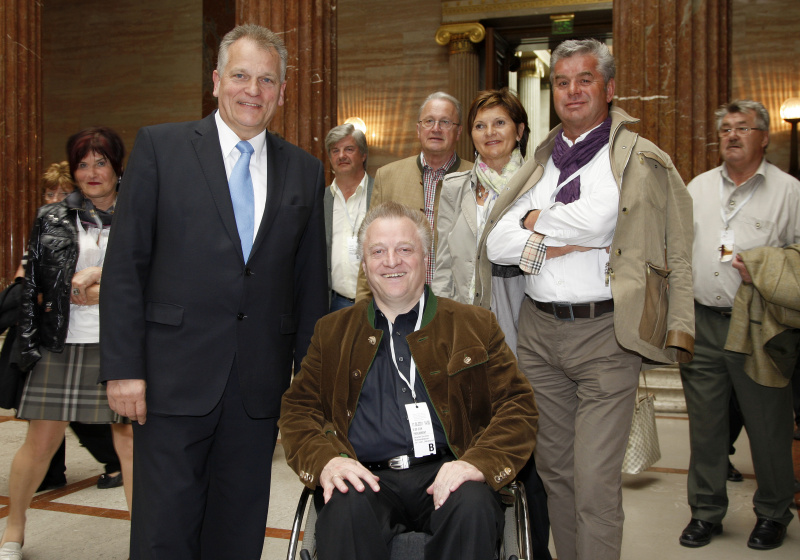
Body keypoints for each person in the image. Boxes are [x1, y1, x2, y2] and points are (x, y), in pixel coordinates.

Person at [98, 24, 327, 559]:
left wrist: (309, 386)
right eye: (242, 75)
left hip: (256, 387)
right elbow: (126, 266)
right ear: (217, 80)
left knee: (238, 529)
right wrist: (123, 368)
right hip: (170, 381)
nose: (254, 90)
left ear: (283, 92)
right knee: (164, 531)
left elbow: (309, 287)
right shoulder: (161, 147)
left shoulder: (304, 170)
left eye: (267, 80)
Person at [487, 38, 694, 560]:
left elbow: (603, 220)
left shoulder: (631, 159)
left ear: (609, 87)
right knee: (557, 474)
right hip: (538, 334)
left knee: (596, 483)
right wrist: (553, 240)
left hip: (605, 335)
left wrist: (534, 223)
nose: (572, 91)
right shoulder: (541, 161)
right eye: (561, 82)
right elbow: (498, 243)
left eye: (584, 80)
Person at [279, 201, 538, 560]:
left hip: (450, 470)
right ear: (365, 263)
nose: (391, 261)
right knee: (343, 507)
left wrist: (477, 463)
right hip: (365, 477)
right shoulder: (332, 332)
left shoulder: (475, 325)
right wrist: (328, 462)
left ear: (425, 258)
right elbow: (298, 410)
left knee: (473, 504)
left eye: (405, 249)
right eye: (378, 251)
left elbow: (518, 407)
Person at [0, 128, 134, 560]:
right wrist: (27, 344)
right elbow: (33, 284)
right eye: (82, 164)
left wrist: (105, 286)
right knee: (40, 442)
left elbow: (154, 274)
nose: (91, 173)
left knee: (130, 442)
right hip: (62, 339)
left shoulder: (140, 212)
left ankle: (144, 540)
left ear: (117, 166)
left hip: (118, 340)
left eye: (100, 162)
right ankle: (12, 533)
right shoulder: (51, 217)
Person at [431, 88, 551, 559]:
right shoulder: (457, 186)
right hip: (464, 334)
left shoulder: (540, 183)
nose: (489, 134)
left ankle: (534, 548)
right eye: (480, 126)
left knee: (526, 446)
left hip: (524, 328)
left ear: (519, 130)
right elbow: (441, 262)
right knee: (468, 441)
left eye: (499, 123)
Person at [678, 100, 800, 551]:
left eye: (742, 128)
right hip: (704, 322)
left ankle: (772, 513)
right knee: (706, 427)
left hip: (760, 325)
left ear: (764, 137)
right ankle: (706, 512)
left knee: (768, 426)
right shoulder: (699, 187)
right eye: (726, 129)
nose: (731, 135)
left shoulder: (789, 192)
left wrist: (769, 266)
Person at [356, 92, 472, 299]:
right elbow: (369, 246)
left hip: (455, 302)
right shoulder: (387, 176)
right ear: (418, 129)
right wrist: (363, 306)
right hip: (397, 300)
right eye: (429, 121)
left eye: (445, 122)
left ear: (459, 131)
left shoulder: (474, 179)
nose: (436, 128)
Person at [324, 123, 373, 311]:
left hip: (375, 301)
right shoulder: (321, 200)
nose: (341, 156)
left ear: (363, 154)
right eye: (335, 151)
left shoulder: (379, 192)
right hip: (333, 303)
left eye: (349, 149)